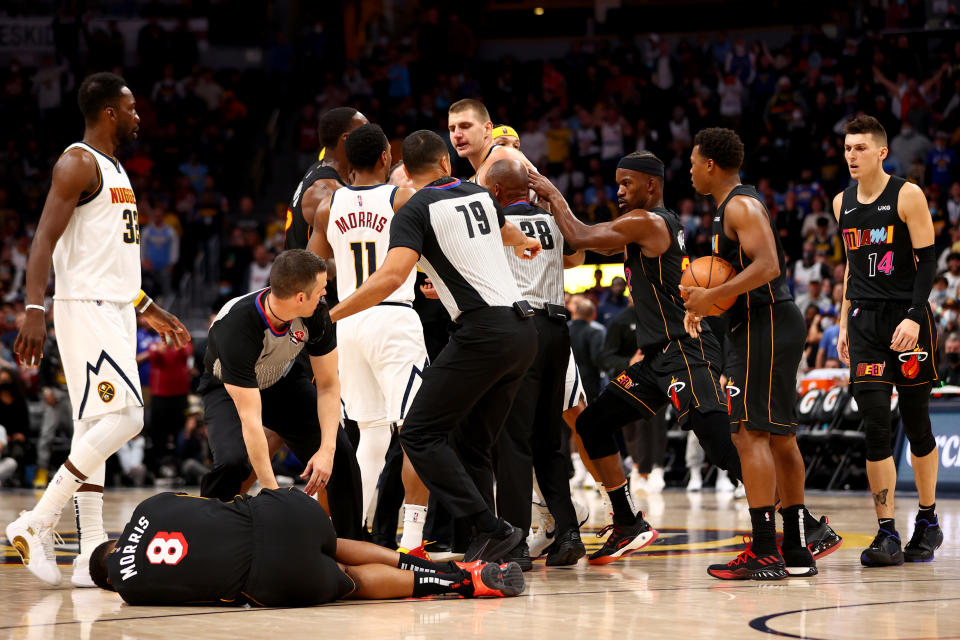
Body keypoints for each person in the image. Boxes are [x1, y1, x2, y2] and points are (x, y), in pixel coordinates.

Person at [6, 72, 190, 588]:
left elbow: (108, 258)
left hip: (113, 305)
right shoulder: (78, 162)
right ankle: (36, 521)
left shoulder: (114, 169)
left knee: (95, 429)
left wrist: (146, 306)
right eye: (131, 108)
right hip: (84, 307)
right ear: (109, 112)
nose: (138, 116)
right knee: (129, 417)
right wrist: (34, 309)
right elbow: (43, 239)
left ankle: (90, 551)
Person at [329, 130, 542, 563]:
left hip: (482, 332)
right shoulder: (478, 193)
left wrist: (330, 315)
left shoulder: (416, 209)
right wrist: (527, 243)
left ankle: (492, 528)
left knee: (421, 433)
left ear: (405, 171)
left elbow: (390, 278)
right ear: (447, 163)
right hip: (523, 332)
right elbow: (505, 231)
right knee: (474, 444)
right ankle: (495, 546)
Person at [530, 151, 742, 565]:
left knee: (720, 445)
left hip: (686, 350)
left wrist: (551, 193)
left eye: (628, 183)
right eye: (618, 183)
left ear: (652, 184)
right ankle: (627, 522)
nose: (620, 191)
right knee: (593, 422)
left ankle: (797, 521)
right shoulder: (642, 228)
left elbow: (581, 235)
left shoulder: (649, 221)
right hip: (656, 359)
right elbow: (582, 248)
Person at [683, 128, 837, 580]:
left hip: (763, 323)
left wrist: (712, 298)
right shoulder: (732, 207)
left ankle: (765, 549)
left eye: (694, 162)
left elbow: (767, 266)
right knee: (782, 437)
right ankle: (795, 548)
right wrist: (708, 305)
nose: (690, 170)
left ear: (710, 164)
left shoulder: (740, 205)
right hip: (768, 323)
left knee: (749, 435)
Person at [310, 123, 431, 553]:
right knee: (417, 431)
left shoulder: (328, 204)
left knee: (372, 436)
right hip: (393, 316)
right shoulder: (401, 198)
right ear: (385, 157)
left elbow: (312, 266)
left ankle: (347, 536)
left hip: (349, 327)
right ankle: (413, 540)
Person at [89, 488, 524, 605]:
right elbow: (210, 502)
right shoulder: (149, 507)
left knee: (350, 582)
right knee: (333, 543)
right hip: (280, 512)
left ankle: (464, 586)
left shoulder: (131, 589)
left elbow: (198, 595)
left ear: (109, 583)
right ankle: (436, 565)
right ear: (114, 539)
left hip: (268, 577)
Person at [834, 115, 943, 565]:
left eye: (860, 148)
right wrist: (842, 323)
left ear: (881, 152)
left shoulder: (907, 194)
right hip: (864, 326)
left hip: (907, 319)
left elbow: (929, 261)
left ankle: (928, 520)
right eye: (847, 148)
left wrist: (916, 318)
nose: (851, 156)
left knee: (916, 425)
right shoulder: (842, 202)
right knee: (875, 427)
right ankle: (886, 532)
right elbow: (850, 270)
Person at [197, 250, 360, 539]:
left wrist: (327, 450)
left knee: (342, 455)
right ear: (300, 297)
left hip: (281, 381)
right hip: (228, 387)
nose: (326, 291)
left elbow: (328, 384)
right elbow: (250, 420)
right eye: (321, 287)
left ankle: (351, 546)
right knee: (233, 462)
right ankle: (207, 535)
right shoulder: (237, 328)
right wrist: (273, 494)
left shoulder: (316, 313)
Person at [480, 158, 586, 570]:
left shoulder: (495, 223)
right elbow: (578, 252)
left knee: (512, 442)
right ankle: (569, 530)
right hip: (558, 330)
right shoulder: (554, 220)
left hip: (520, 329)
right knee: (549, 438)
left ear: (498, 192)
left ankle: (516, 544)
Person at [285, 107, 367, 251]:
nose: (372, 137)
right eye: (365, 131)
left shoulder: (320, 169)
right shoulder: (326, 191)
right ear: (346, 138)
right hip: (306, 272)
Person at [447, 99, 537, 185]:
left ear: (487, 129)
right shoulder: (482, 171)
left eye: (465, 126)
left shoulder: (503, 156)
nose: (456, 135)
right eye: (452, 129)